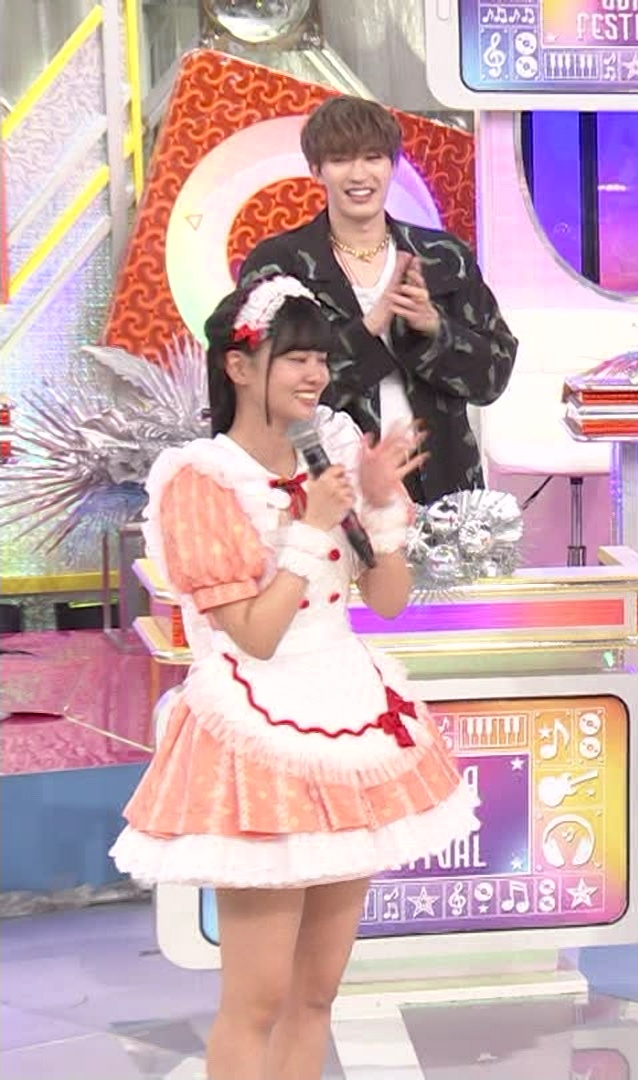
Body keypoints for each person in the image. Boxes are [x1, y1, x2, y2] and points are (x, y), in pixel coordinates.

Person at [108, 276, 479, 1080]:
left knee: (317, 992)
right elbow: (255, 634)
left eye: (320, 359)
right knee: (259, 998)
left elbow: (388, 602)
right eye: (295, 358)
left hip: (348, 707)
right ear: (239, 366)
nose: (314, 375)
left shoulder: (333, 453)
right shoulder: (202, 479)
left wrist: (377, 507)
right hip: (257, 722)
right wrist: (310, 527)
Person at [239, 95, 518, 504]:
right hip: (332, 493)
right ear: (316, 170)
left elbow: (491, 378)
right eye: (340, 160)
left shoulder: (443, 257)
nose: (359, 175)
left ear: (393, 165)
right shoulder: (280, 265)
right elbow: (264, 392)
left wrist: (434, 328)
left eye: (373, 158)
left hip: (445, 491)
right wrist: (369, 328)